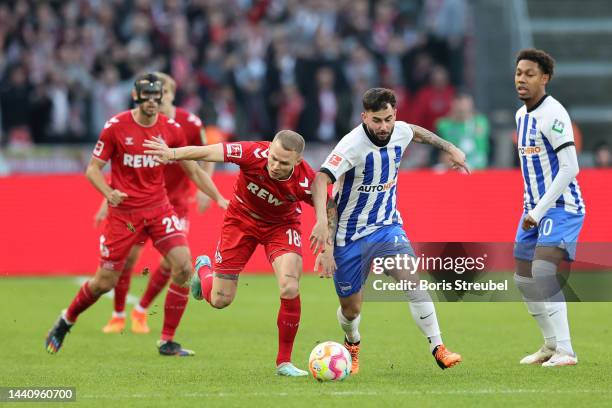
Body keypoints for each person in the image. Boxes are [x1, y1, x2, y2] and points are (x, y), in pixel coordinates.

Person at [45, 73, 226, 357]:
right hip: (124, 214)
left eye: (157, 97)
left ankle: (167, 340)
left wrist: (218, 197)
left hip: (159, 208)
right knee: (104, 282)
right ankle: (67, 319)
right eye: (147, 99)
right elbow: (93, 169)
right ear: (136, 98)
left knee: (183, 266)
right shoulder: (116, 127)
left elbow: (192, 169)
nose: (153, 104)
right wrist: (108, 194)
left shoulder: (172, 129)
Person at [143, 130, 329, 376]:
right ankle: (204, 269)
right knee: (220, 300)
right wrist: (172, 154)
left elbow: (327, 200)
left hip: (281, 227)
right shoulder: (253, 153)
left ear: (297, 161)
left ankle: (283, 362)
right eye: (273, 158)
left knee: (290, 287)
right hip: (240, 221)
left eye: (283, 162)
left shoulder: (306, 179)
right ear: (269, 148)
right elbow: (210, 151)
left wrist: (326, 236)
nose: (274, 165)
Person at [309, 87, 467, 374]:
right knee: (351, 310)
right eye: (377, 120)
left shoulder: (400, 130)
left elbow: (417, 132)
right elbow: (321, 180)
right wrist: (323, 229)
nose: (384, 127)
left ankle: (438, 347)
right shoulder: (350, 146)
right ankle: (352, 342)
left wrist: (450, 148)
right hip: (349, 236)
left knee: (412, 279)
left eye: (389, 119)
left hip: (386, 226)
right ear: (364, 117)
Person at [95, 72, 227, 335]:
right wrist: (105, 199)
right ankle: (118, 314)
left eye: (163, 93)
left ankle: (141, 310)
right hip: (138, 202)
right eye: (154, 93)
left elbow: (206, 156)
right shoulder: (136, 123)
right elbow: (124, 168)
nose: (158, 98)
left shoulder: (188, 123)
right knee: (130, 258)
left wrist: (208, 191)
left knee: (175, 262)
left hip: (174, 201)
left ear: (172, 94)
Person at [512, 49, 585, 367]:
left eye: (529, 73)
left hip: (561, 207)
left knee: (543, 272)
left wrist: (539, 211)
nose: (521, 79)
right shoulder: (520, 115)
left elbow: (570, 167)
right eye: (518, 73)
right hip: (533, 209)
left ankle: (567, 351)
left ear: (545, 78)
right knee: (523, 278)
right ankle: (550, 344)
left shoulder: (553, 114)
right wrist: (533, 209)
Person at [435, 92, 490, 170]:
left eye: (465, 105)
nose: (462, 108)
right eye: (459, 105)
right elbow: (439, 154)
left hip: (479, 170)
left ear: (471, 104)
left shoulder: (482, 122)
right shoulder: (443, 125)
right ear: (452, 104)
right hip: (454, 169)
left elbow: (489, 148)